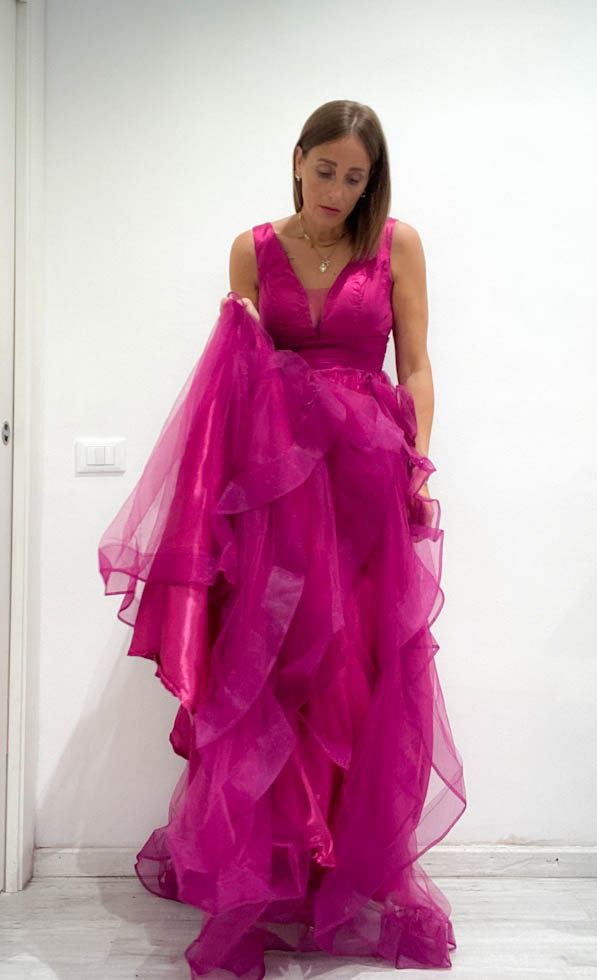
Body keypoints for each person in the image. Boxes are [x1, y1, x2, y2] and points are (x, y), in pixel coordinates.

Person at [98, 99, 467, 980]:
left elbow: (415, 363)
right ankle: (275, 873)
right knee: (274, 674)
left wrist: (418, 462)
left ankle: (343, 869)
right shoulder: (251, 249)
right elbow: (236, 373)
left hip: (365, 482)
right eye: (325, 170)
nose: (337, 190)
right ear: (297, 159)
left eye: (355, 177)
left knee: (357, 673)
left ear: (372, 182)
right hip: (280, 488)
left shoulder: (398, 245)